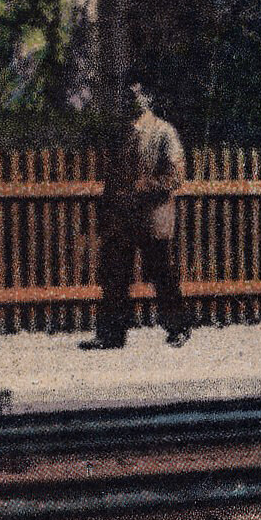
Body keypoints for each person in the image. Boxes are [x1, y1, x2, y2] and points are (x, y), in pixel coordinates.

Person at [89, 79, 192, 349]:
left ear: (148, 97)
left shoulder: (163, 132)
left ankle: (178, 328)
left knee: (161, 275)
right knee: (116, 275)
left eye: (137, 94)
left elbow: (176, 175)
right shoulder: (121, 134)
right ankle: (112, 335)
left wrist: (147, 186)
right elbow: (112, 177)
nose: (131, 100)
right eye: (128, 95)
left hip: (152, 215)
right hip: (123, 217)